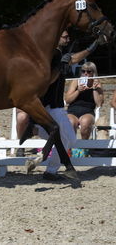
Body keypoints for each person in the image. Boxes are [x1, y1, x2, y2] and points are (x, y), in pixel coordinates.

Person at [16, 30, 99, 180]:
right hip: (50, 105)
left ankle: (35, 131)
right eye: (65, 37)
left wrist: (92, 48)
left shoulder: (60, 54)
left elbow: (73, 59)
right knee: (68, 139)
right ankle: (51, 171)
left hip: (57, 106)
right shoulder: (50, 54)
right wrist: (60, 66)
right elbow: (49, 80)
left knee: (70, 140)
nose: (68, 39)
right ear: (56, 37)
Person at [65, 62, 103, 140]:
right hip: (72, 110)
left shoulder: (97, 83)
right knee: (70, 123)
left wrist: (94, 89)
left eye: (89, 72)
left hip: (88, 111)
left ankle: (83, 148)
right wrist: (78, 91)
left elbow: (99, 104)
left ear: (93, 73)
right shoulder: (76, 81)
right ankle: (70, 148)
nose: (85, 73)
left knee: (86, 123)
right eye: (83, 71)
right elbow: (67, 100)